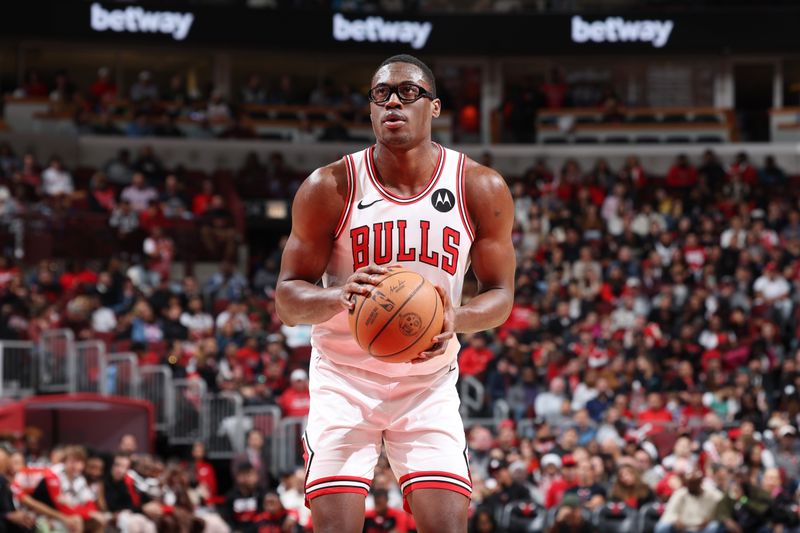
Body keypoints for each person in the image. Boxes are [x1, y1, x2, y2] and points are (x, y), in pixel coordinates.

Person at [275, 54, 515, 532]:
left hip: (427, 381)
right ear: (369, 110)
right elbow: (287, 300)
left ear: (435, 107)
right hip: (344, 378)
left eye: (408, 93)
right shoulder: (330, 186)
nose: (393, 103)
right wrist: (339, 298)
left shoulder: (478, 187)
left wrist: (456, 319)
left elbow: (501, 295)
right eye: (380, 94)